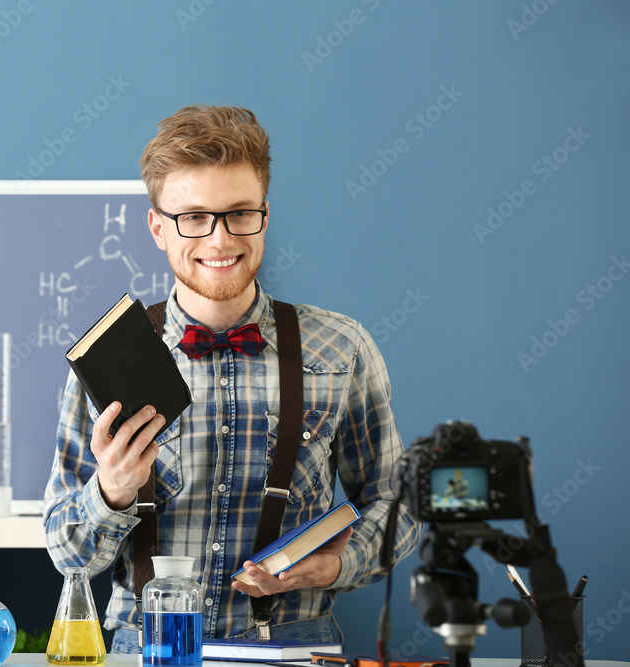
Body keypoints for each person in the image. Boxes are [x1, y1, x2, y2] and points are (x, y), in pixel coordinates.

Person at [43, 104, 420, 651]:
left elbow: (397, 502)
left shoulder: (342, 347)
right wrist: (113, 490)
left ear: (264, 213)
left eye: (239, 213)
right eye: (193, 217)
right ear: (157, 227)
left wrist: (331, 566)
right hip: (144, 649)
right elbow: (67, 556)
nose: (219, 240)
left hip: (296, 645)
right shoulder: (105, 363)